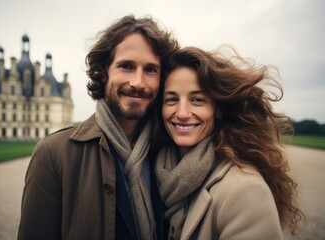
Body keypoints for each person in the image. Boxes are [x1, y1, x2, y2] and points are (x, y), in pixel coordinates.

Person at [17, 15, 178, 240]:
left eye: (150, 69)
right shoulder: (53, 155)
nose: (138, 82)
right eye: (126, 66)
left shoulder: (169, 151)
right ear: (103, 72)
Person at [151, 46, 302, 239]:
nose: (181, 113)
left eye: (197, 100)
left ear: (218, 110)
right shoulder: (157, 171)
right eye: (171, 99)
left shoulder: (246, 190)